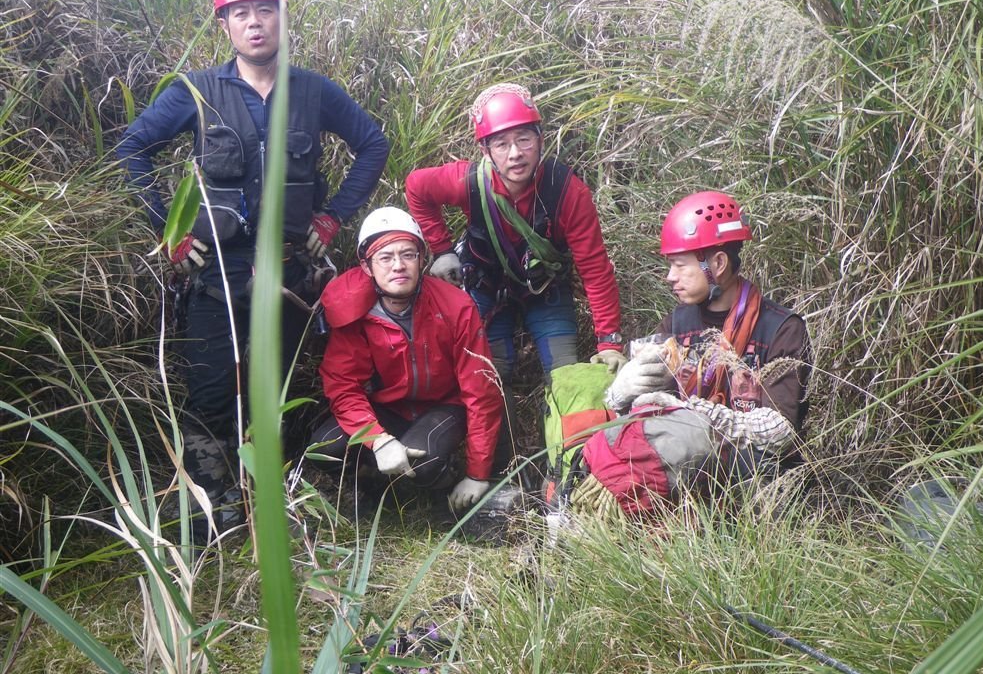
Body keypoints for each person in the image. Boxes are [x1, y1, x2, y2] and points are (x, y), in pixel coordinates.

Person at [115, 0, 389, 528]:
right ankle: (214, 514)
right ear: (226, 25)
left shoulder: (311, 91)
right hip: (217, 272)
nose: (256, 22)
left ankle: (277, 503)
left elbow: (372, 143)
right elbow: (133, 149)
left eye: (266, 9)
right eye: (242, 13)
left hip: (288, 274)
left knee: (279, 391)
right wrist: (170, 230)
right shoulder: (197, 90)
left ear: (281, 17)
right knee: (212, 395)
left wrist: (334, 217)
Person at [571, 190, 812, 520]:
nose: (670, 277)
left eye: (679, 265)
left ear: (717, 263)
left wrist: (690, 413)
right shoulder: (675, 325)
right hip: (685, 475)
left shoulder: (781, 328)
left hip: (756, 481)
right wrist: (621, 395)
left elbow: (780, 431)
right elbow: (648, 423)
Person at [404, 83, 625, 379]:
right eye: (501, 144)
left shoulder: (567, 192)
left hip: (544, 289)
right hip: (485, 284)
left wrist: (609, 341)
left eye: (524, 139)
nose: (515, 154)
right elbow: (416, 187)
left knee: (566, 375)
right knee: (489, 375)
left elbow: (594, 269)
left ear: (540, 139)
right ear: (485, 150)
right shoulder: (469, 182)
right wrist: (441, 250)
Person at [309, 206, 504, 514]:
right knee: (323, 449)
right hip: (388, 407)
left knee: (424, 463)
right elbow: (344, 387)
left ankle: (445, 484)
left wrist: (476, 474)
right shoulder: (354, 315)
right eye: (385, 257)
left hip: (444, 406)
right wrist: (379, 441)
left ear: (422, 259)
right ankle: (373, 485)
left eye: (408, 254)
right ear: (367, 266)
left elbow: (481, 391)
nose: (398, 266)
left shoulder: (455, 307)